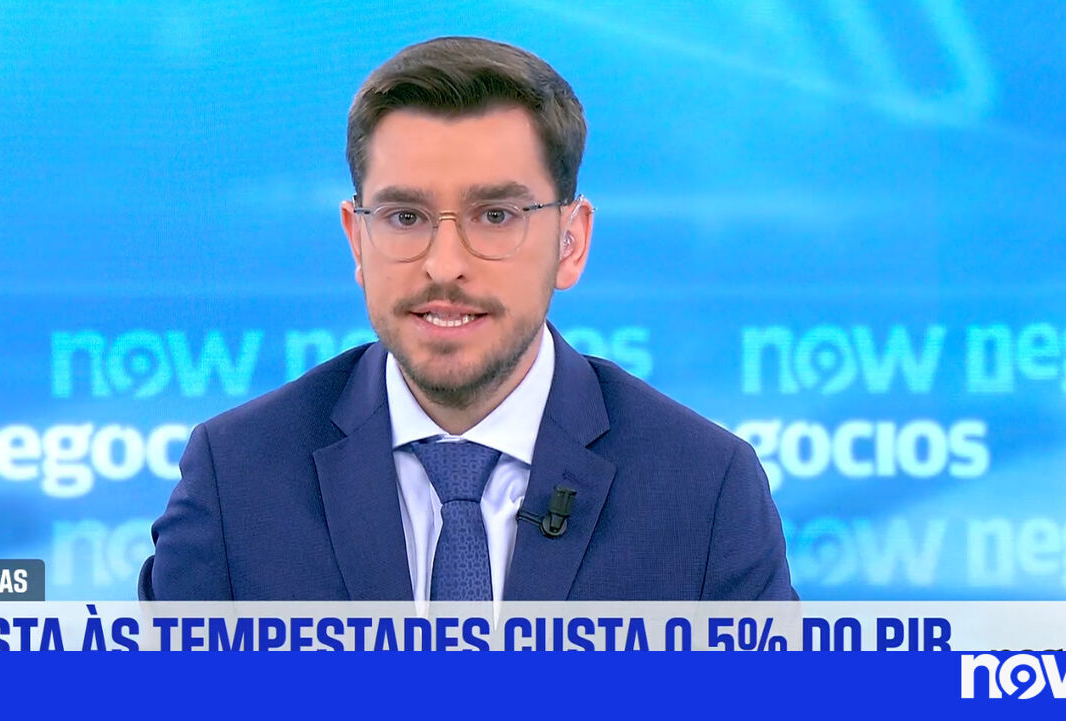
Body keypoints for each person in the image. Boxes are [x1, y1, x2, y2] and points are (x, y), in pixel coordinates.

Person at [138, 36, 796, 602]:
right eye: (405, 217)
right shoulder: (236, 480)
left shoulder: (704, 490)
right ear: (357, 241)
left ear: (571, 242)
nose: (444, 265)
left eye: (496, 215)